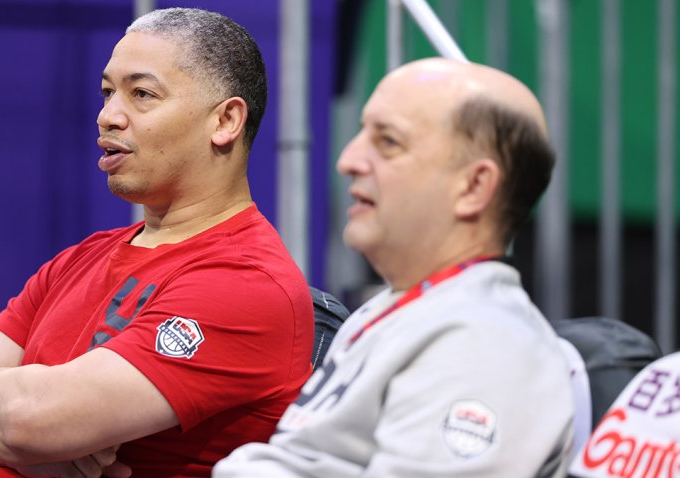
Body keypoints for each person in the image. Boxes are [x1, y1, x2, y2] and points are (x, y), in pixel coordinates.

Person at [0, 8, 314, 478]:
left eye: (141, 94)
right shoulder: (80, 258)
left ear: (225, 121)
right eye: (106, 93)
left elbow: (26, 420)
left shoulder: (245, 282)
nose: (108, 116)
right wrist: (42, 455)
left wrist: (9, 410)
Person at [214, 57, 575, 477]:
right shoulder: (405, 307)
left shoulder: (484, 345)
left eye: (388, 142)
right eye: (362, 133)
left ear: (474, 187)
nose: (348, 159)